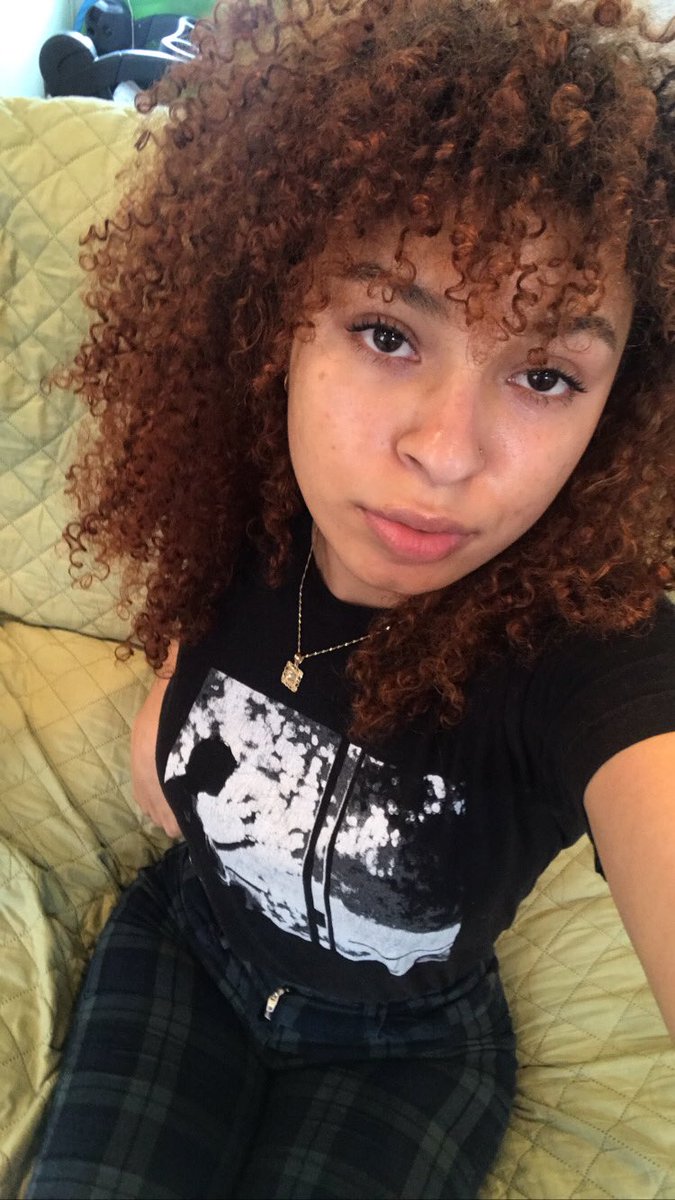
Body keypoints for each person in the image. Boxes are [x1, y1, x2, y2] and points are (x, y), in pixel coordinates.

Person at [26, 0, 675, 1196]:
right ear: (279, 318)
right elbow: (192, 656)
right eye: (386, 332)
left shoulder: (591, 648)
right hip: (185, 949)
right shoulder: (249, 493)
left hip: (411, 1050)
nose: (446, 451)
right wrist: (171, 710)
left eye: (544, 374)